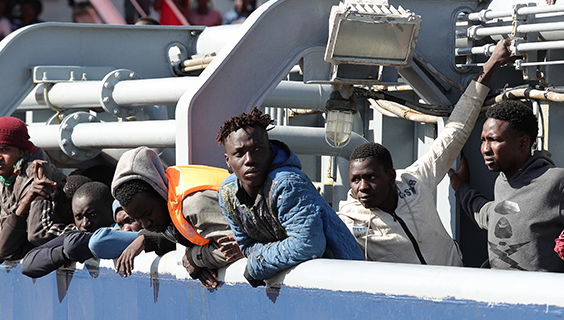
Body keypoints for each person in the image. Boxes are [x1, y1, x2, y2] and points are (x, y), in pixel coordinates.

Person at [337, 40, 514, 266]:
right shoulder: (348, 221)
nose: (362, 187)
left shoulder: (414, 182)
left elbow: (455, 132)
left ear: (391, 176)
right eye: (355, 180)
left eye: (370, 177)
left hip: (456, 287)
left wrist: (490, 66)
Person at [217, 108, 364, 288]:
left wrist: (258, 263)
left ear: (270, 151)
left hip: (344, 283)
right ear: (227, 160)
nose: (249, 160)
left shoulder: (288, 184)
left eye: (258, 149)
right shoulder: (228, 193)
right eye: (239, 154)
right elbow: (246, 246)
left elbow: (308, 245)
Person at [448, 100, 564, 272]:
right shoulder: (501, 181)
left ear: (523, 143)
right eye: (483, 140)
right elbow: (490, 214)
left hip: (541, 296)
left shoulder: (556, 181)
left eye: (494, 140)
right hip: (501, 293)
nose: (485, 149)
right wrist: (461, 188)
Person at [108, 147, 242, 289]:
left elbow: (237, 247)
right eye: (138, 219)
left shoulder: (193, 203)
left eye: (147, 214)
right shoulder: (166, 205)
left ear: (159, 191)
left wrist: (194, 259)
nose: (145, 224)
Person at [0, 117, 75, 264]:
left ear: (22, 150)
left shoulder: (36, 171)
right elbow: (6, 231)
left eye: (5, 150)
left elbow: (38, 233)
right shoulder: (1, 181)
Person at [21, 182, 115, 278]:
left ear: (111, 210)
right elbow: (27, 265)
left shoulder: (120, 231)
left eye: (93, 215)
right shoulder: (77, 235)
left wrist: (74, 247)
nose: (85, 224)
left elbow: (73, 246)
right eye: (79, 217)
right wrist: (63, 253)